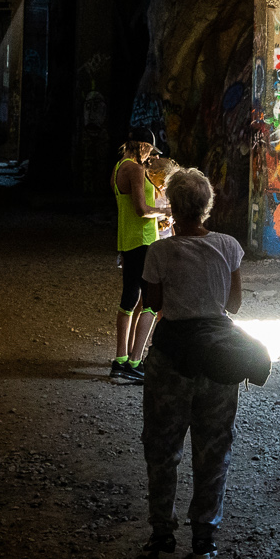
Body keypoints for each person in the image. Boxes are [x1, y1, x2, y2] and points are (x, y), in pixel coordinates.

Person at [139, 167, 255, 559]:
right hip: (220, 357)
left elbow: (154, 304)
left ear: (172, 206)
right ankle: (205, 537)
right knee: (214, 449)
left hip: (171, 357)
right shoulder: (229, 246)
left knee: (162, 447)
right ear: (207, 206)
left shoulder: (160, 252)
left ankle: (161, 533)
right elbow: (233, 305)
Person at [111, 129, 166, 382]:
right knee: (153, 303)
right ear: (143, 147)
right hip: (143, 241)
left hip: (128, 240)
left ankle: (121, 359)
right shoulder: (134, 169)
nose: (150, 157)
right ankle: (134, 362)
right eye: (150, 151)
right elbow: (141, 209)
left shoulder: (119, 167)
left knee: (129, 300)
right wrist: (165, 212)